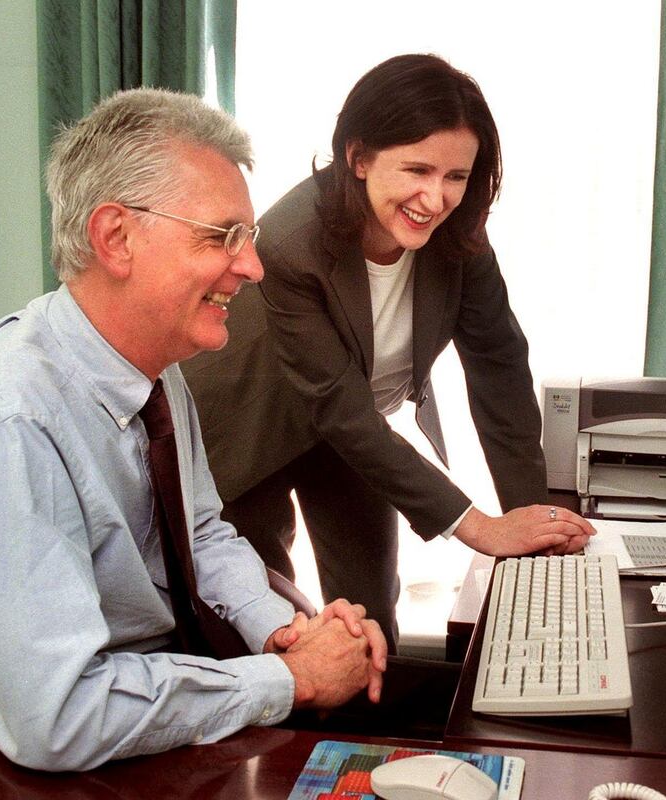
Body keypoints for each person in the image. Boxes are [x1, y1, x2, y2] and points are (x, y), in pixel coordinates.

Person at [0, 88, 387, 772]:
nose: (253, 266)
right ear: (116, 238)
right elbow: (59, 716)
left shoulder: (155, 367)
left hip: (150, 707)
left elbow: (201, 533)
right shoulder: (12, 419)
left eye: (249, 237)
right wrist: (291, 679)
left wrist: (286, 633)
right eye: (222, 236)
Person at [183, 54, 595, 649]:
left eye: (456, 176)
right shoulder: (292, 243)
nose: (435, 198)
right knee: (272, 622)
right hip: (252, 429)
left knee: (372, 609)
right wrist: (478, 526)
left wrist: (533, 525)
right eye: (418, 170)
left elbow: (499, 370)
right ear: (358, 157)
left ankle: (370, 738)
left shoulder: (459, 241)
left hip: (352, 430)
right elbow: (336, 405)